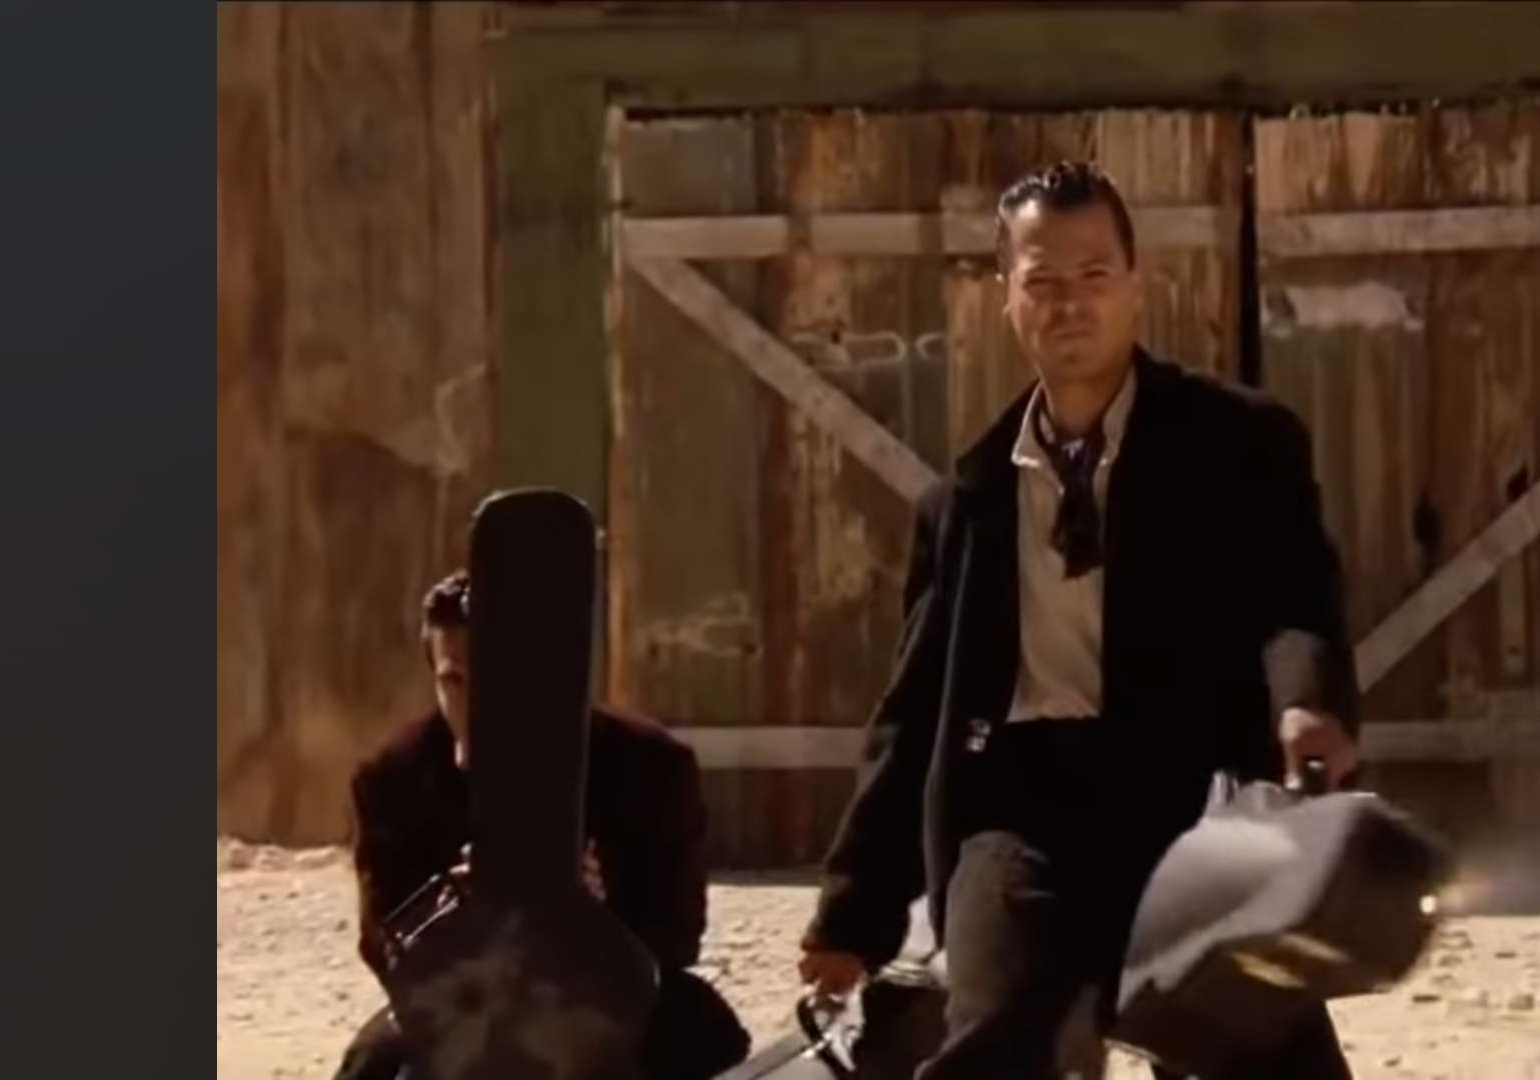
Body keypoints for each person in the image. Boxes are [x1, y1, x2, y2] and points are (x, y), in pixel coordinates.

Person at [796, 161, 1364, 1080]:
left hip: (1196, 800)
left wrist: (1306, 703)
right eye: (1043, 282)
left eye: (1094, 275)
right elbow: (913, 715)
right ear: (1007, 297)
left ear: (1135, 282)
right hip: (1023, 813)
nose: (1070, 304)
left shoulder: (1238, 444)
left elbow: (1294, 598)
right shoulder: (969, 500)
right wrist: (852, 914)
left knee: (1266, 1050)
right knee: (1001, 1035)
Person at [332, 570, 750, 1080]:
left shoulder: (650, 764)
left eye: (501, 678)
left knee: (704, 1035)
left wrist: (589, 913)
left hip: (611, 990)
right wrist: (455, 912)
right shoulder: (393, 777)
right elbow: (383, 944)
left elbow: (678, 935)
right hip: (464, 999)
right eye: (455, 681)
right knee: (374, 1064)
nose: (480, 705)